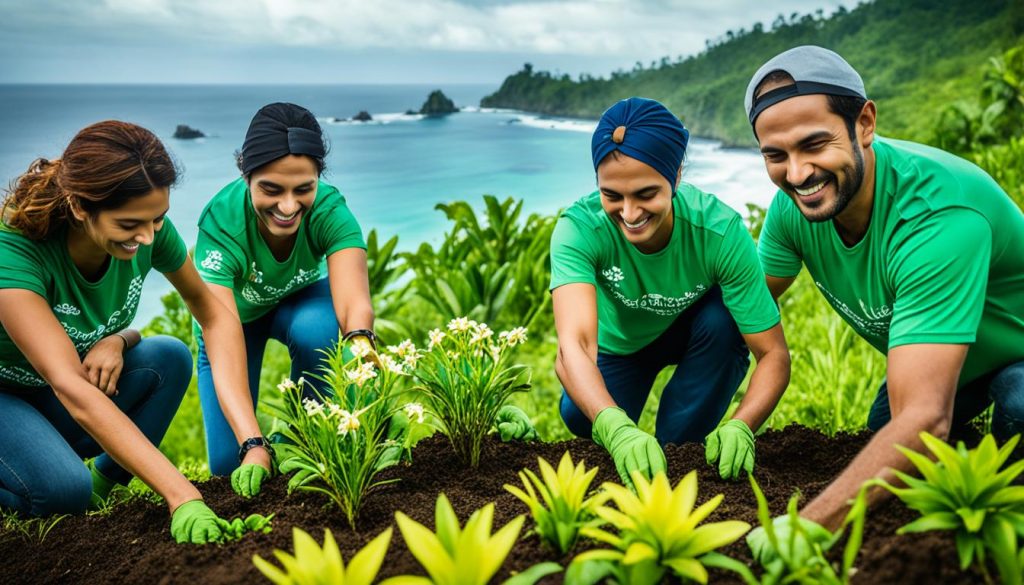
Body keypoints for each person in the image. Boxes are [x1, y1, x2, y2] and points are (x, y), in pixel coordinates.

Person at [743, 46, 1024, 553]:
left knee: (1016, 409)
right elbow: (744, 306)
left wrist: (807, 528)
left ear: (865, 123)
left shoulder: (937, 216)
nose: (798, 174)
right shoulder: (793, 212)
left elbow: (925, 417)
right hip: (955, 358)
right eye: (776, 155)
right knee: (885, 435)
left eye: (815, 144)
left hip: (1016, 349)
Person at [0, 121, 256, 543]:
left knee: (168, 357)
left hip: (49, 394)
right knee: (63, 492)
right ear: (81, 206)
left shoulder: (148, 229)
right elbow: (70, 386)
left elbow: (214, 315)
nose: (147, 236)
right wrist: (182, 496)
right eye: (129, 224)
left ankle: (102, 488)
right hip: (11, 396)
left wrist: (251, 440)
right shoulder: (16, 253)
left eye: (158, 219)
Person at [550, 97, 791, 488]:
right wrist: (615, 426)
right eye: (612, 195)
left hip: (700, 333)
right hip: (623, 342)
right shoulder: (579, 229)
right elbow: (572, 348)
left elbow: (774, 354)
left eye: (646, 194)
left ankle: (681, 441)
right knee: (581, 416)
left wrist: (742, 424)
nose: (629, 213)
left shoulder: (719, 232)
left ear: (675, 176)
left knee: (680, 443)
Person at [193, 102, 376, 492]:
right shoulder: (221, 223)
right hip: (231, 323)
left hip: (298, 306)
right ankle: (270, 445)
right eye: (271, 190)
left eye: (303, 189)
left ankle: (303, 437)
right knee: (230, 469)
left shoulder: (329, 208)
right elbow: (221, 337)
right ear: (246, 174)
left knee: (319, 328)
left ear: (318, 181)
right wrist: (253, 443)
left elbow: (352, 300)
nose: (289, 206)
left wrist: (361, 347)